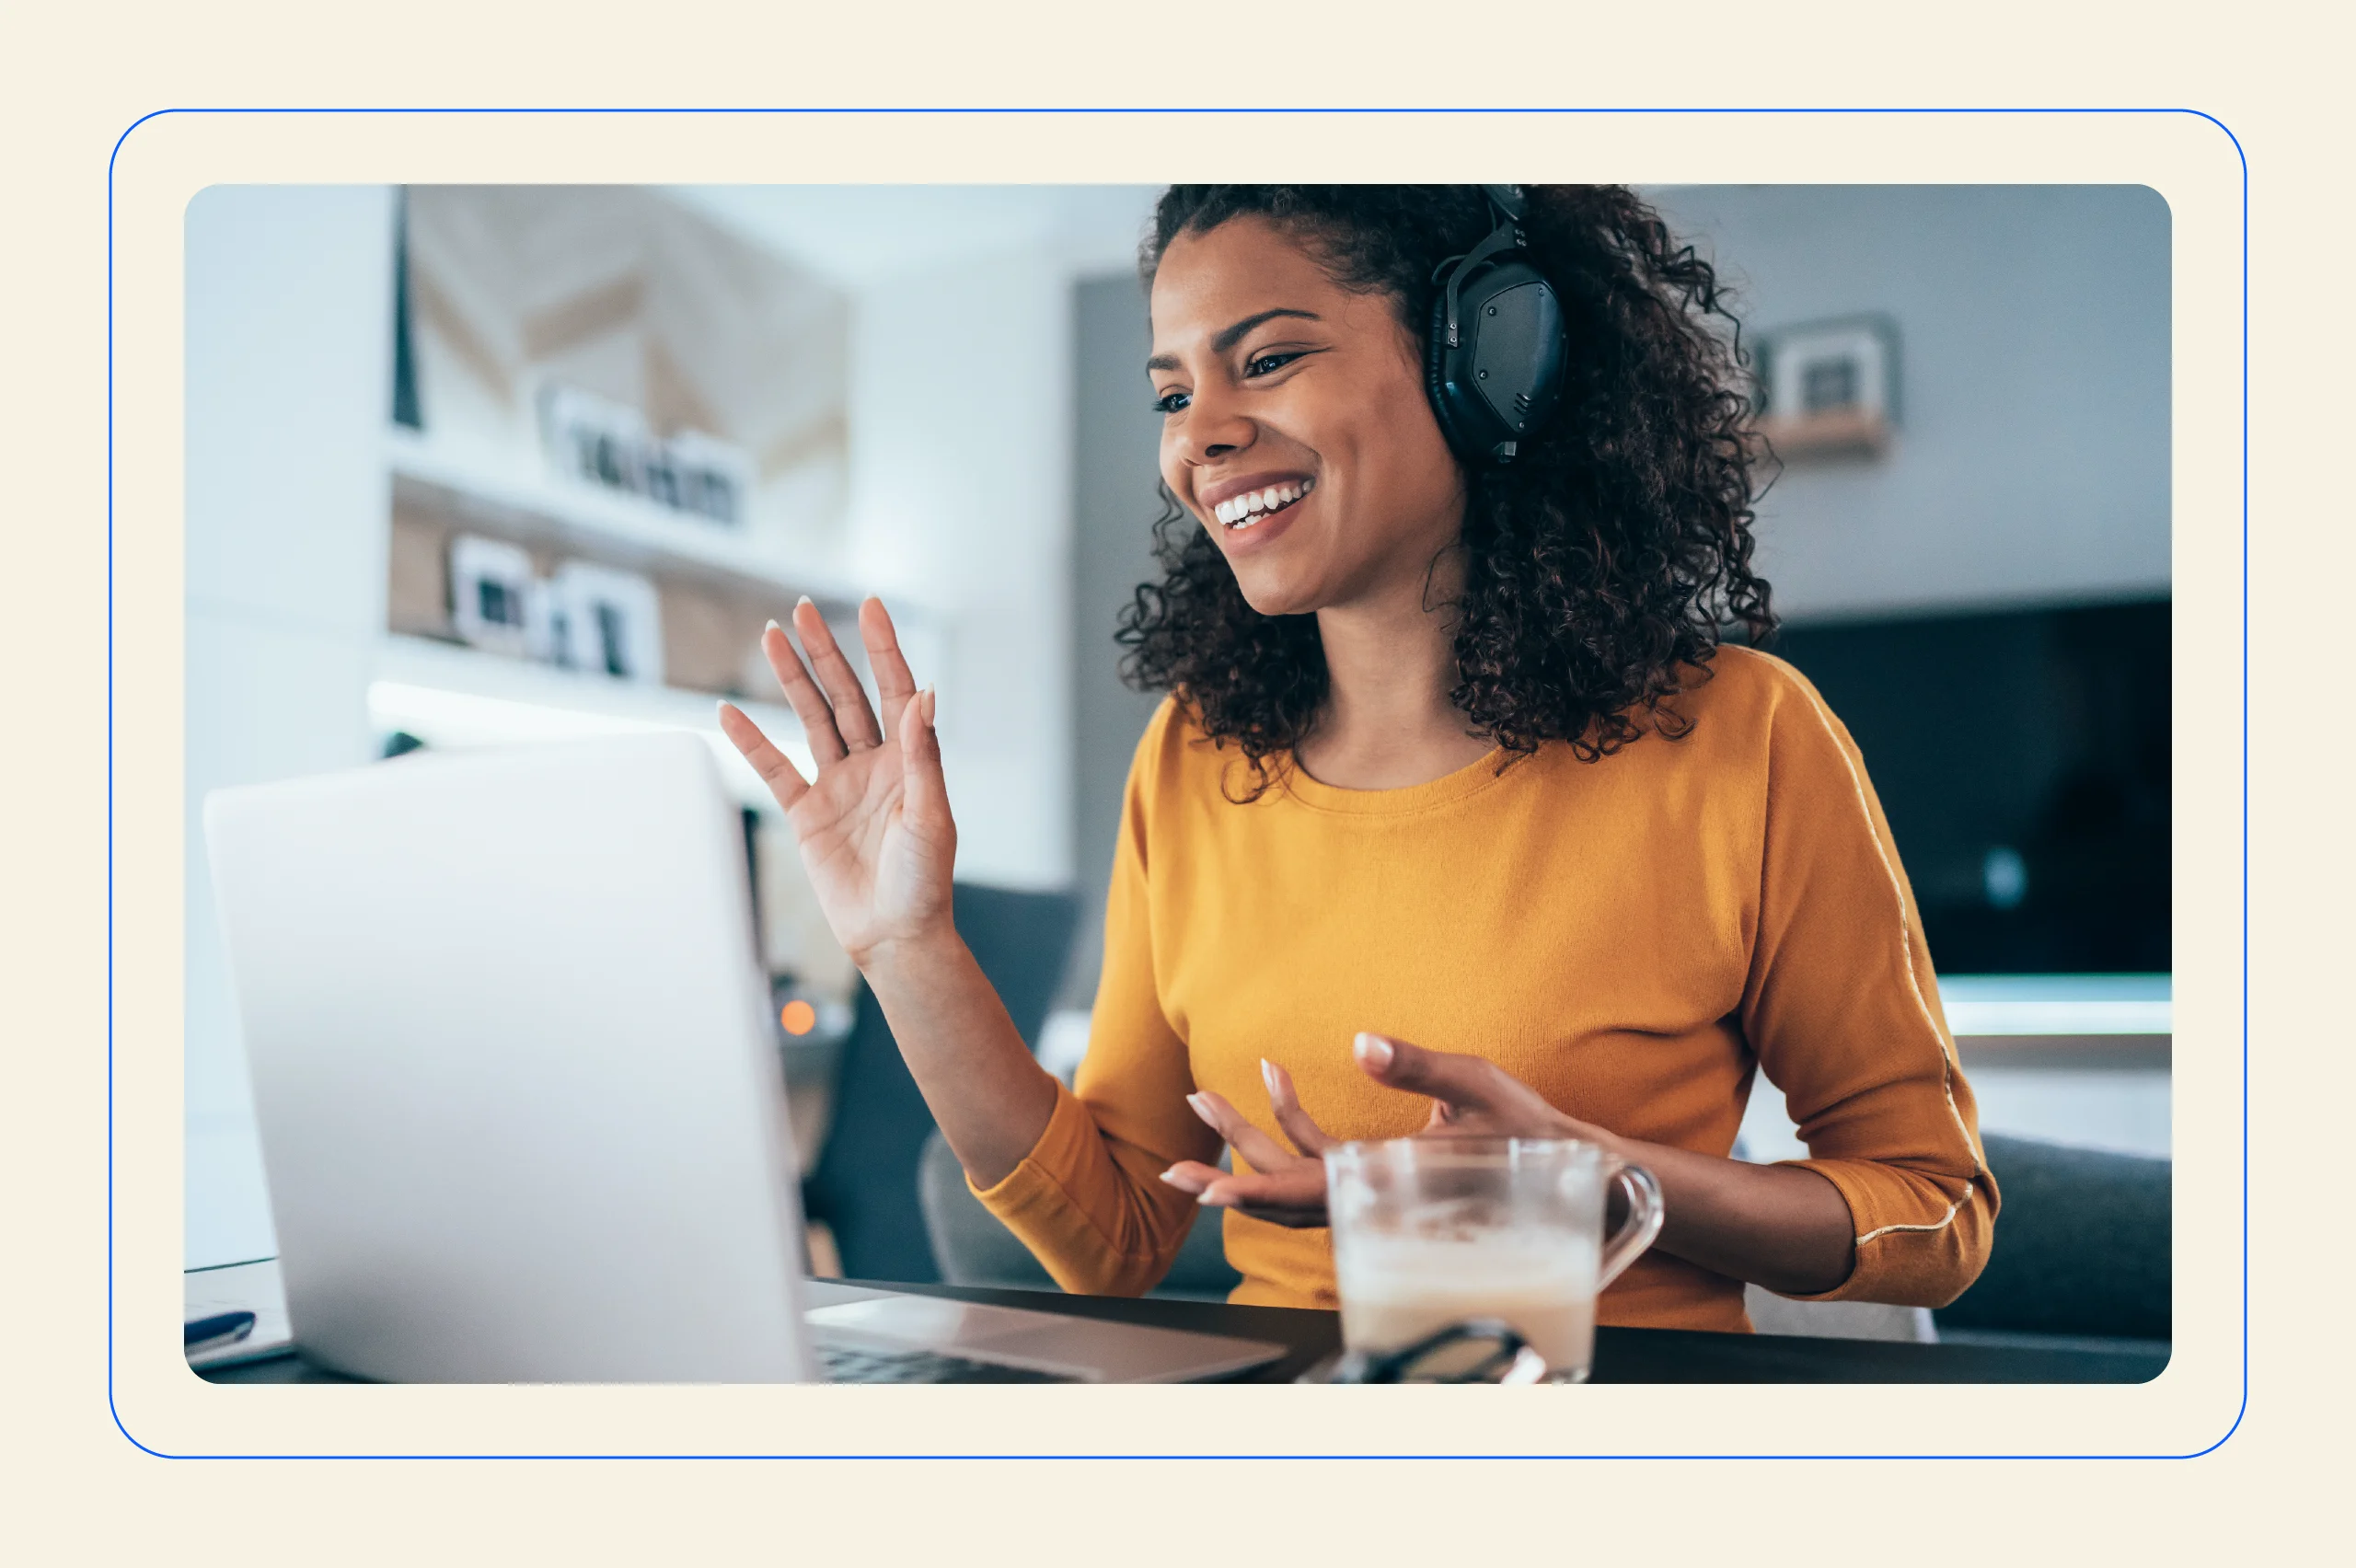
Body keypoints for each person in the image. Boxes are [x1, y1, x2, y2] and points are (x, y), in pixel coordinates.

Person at [719, 184, 1995, 1332]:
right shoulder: (1196, 759)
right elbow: (1111, 1241)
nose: (1197, 439)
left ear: (1489, 360)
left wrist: (1599, 1180)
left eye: (1266, 359)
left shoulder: (1745, 736)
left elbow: (1938, 1216)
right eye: (1171, 393)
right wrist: (908, 949)